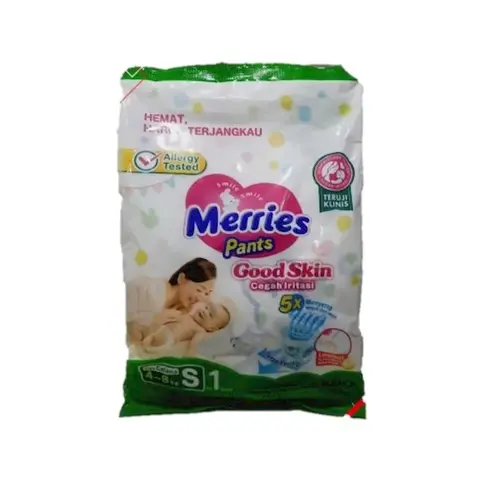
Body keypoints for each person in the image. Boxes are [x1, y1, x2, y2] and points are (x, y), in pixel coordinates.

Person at [126, 258, 217, 344]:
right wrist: (154, 322)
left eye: (207, 293)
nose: (201, 298)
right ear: (182, 279)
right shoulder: (148, 289)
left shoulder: (181, 314)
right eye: (199, 290)